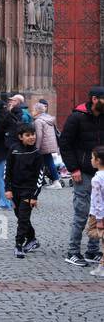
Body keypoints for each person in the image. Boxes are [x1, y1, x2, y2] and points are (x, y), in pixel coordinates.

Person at [59, 85, 104, 267]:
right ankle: (73, 251)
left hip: (101, 171)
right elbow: (65, 144)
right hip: (83, 172)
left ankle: (92, 251)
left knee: (98, 212)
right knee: (82, 213)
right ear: (95, 99)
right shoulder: (76, 117)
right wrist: (73, 168)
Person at [4, 121, 50, 257]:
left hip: (28, 191)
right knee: (20, 217)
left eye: (33, 134)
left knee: (23, 219)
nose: (32, 137)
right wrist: (8, 189)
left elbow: (40, 177)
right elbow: (8, 170)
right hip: (15, 190)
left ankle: (18, 245)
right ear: (20, 137)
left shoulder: (37, 153)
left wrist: (34, 196)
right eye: (28, 135)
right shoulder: (13, 149)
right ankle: (32, 239)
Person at [33, 101, 62, 186]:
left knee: (45, 163)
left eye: (34, 110)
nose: (32, 112)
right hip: (49, 144)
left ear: (37, 111)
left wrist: (37, 147)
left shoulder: (38, 121)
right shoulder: (48, 119)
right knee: (49, 162)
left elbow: (39, 135)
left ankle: (55, 181)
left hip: (43, 145)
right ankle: (54, 180)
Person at [89, 146, 104, 278]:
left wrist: (99, 219)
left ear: (98, 160)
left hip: (98, 214)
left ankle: (102, 266)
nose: (91, 160)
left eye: (92, 158)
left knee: (92, 232)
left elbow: (98, 200)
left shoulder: (97, 179)